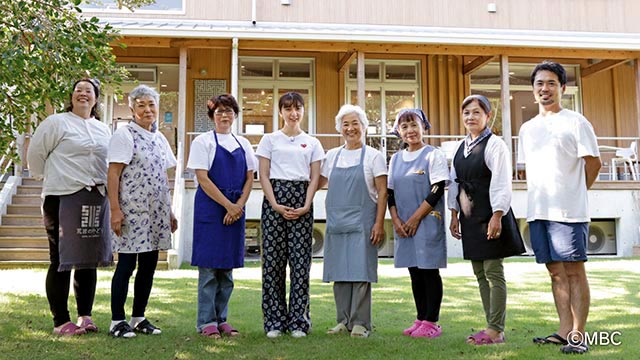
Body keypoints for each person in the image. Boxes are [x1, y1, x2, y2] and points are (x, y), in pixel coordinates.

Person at [518, 61, 601, 355]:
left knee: (574, 271)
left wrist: (577, 192)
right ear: (533, 89)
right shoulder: (527, 129)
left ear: (563, 88)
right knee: (554, 272)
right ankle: (564, 330)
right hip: (539, 211)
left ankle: (579, 335)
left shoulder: (576, 122)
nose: (545, 89)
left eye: (551, 83)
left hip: (569, 212)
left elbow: (594, 162)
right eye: (540, 83)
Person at [27, 78, 112, 336]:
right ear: (71, 96)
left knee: (88, 259)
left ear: (96, 98)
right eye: (78, 90)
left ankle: (85, 316)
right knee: (61, 259)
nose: (83, 94)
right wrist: (49, 178)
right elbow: (36, 155)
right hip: (62, 196)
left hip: (94, 197)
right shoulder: (57, 122)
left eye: (88, 91)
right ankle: (60, 321)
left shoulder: (103, 129)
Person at [447, 94, 525, 345]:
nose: (470, 117)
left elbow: (502, 181)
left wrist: (497, 215)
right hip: (469, 215)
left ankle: (496, 329)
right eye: (466, 112)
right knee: (480, 273)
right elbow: (453, 183)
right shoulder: (461, 146)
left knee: (493, 271)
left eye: (476, 112)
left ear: (487, 116)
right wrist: (454, 213)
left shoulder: (495, 144)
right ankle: (490, 325)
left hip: (490, 214)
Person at [107, 84, 178, 338]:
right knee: (126, 265)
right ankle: (117, 320)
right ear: (132, 108)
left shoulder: (159, 138)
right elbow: (113, 173)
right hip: (131, 211)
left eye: (151, 105)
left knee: (148, 266)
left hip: (156, 212)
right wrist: (115, 209)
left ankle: (139, 317)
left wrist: (169, 211)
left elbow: (163, 176)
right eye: (141, 105)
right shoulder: (125, 135)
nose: (148, 110)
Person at [187, 94, 257, 339]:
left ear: (235, 115)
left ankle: (221, 319)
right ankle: (206, 321)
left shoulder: (244, 143)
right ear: (212, 116)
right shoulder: (202, 141)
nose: (224, 115)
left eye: (229, 111)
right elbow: (203, 178)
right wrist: (228, 205)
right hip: (211, 208)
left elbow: (250, 177)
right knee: (208, 269)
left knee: (227, 270)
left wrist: (238, 206)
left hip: (235, 208)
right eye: (219, 111)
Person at [256, 92, 324, 338]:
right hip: (274, 199)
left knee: (300, 263)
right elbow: (263, 174)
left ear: (303, 111)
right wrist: (274, 203)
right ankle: (274, 321)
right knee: (273, 263)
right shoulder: (269, 139)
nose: (293, 114)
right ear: (281, 112)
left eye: (297, 109)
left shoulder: (313, 142)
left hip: (302, 199)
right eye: (288, 109)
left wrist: (307, 204)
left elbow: (315, 176)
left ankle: (298, 321)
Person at [319, 104, 387, 339]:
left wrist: (379, 223)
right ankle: (342, 320)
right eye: (345, 124)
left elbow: (382, 193)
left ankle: (360, 323)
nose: (350, 128)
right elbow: (316, 183)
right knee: (339, 271)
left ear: (364, 126)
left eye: (355, 123)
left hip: (363, 223)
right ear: (340, 128)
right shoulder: (331, 156)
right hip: (337, 223)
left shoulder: (374, 156)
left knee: (360, 273)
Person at [387, 108, 449, 338]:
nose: (410, 130)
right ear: (398, 132)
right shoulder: (395, 158)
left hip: (426, 222)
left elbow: (437, 190)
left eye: (414, 124)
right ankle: (420, 317)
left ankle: (432, 321)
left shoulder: (434, 155)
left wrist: (414, 219)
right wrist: (396, 220)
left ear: (424, 127)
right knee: (414, 271)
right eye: (404, 126)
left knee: (429, 271)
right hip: (403, 223)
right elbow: (390, 192)